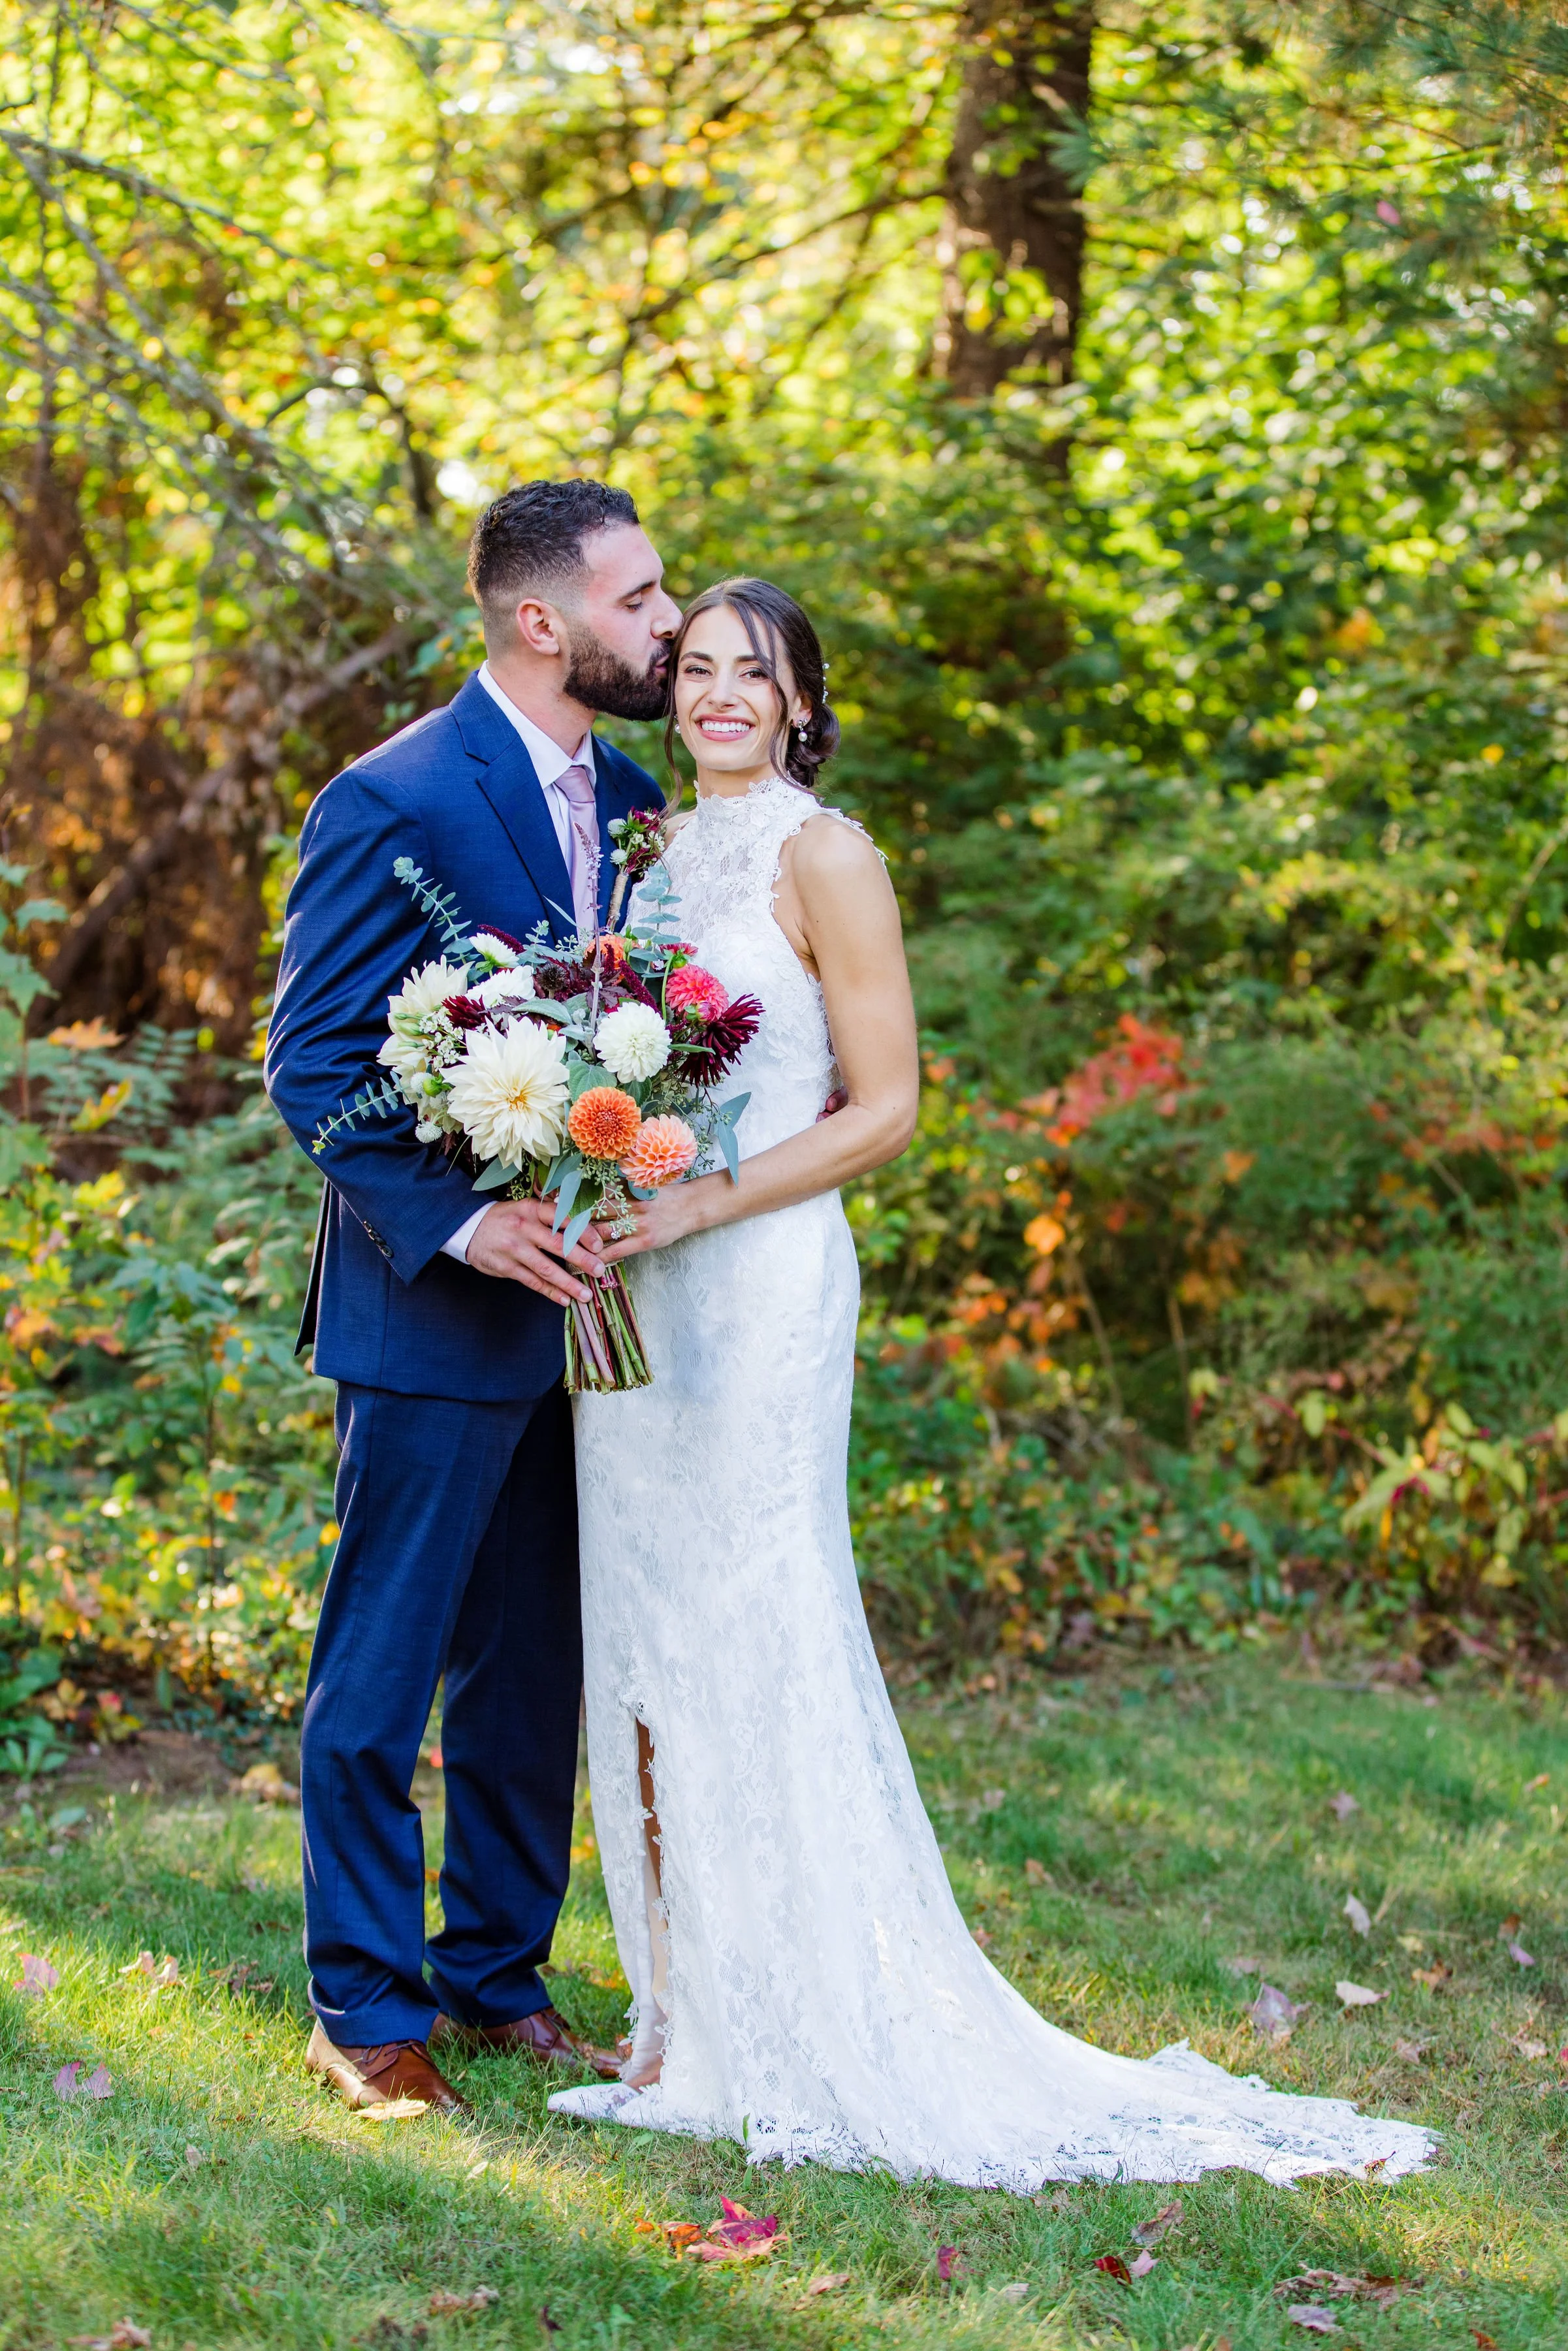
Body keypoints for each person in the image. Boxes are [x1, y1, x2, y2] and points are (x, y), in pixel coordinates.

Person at [547, 577, 1435, 2188]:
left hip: (757, 1280)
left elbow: (885, 1110)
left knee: (763, 1611)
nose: (720, 694)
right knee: (650, 1625)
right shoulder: (657, 857)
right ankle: (682, 2016)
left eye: (757, 673)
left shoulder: (830, 855)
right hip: (641, 1287)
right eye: (696, 670)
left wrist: (705, 1199)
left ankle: (808, 2011)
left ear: (805, 699)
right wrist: (601, 1170)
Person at [265, 479, 679, 2115]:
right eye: (639, 600)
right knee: (385, 1671)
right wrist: (461, 1227)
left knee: (531, 1675)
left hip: (582, 1313)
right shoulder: (391, 797)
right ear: (540, 621)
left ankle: (497, 1978)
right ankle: (363, 2010)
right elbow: (310, 1064)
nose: (665, 624)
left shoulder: (635, 793)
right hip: (433, 1313)